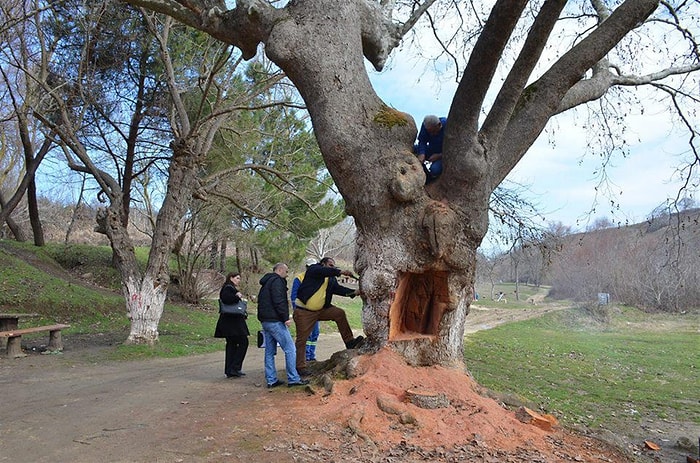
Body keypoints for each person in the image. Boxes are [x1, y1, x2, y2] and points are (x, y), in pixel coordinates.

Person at [293, 257, 364, 376]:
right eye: (330, 265)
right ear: (322, 264)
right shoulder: (314, 270)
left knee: (339, 313)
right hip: (305, 312)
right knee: (302, 340)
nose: (333, 267)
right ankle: (300, 367)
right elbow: (323, 271)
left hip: (322, 310)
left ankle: (349, 341)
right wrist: (340, 272)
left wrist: (353, 292)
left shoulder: (331, 279)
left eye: (334, 266)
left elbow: (338, 289)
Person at [257, 262, 309, 388]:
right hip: (275, 321)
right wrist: (285, 318)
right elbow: (279, 301)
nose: (287, 275)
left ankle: (271, 380)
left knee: (269, 351)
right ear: (280, 270)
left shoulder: (266, 282)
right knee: (290, 348)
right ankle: (293, 378)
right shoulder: (277, 282)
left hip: (265, 321)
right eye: (286, 272)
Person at [214, 272, 249, 378]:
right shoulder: (228, 288)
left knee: (232, 345)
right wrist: (237, 296)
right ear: (231, 278)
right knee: (243, 342)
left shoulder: (228, 287)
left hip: (229, 322)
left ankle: (230, 369)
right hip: (232, 323)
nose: (239, 280)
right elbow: (227, 299)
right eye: (237, 278)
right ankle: (235, 367)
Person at [291, 258, 321, 362]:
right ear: (307, 267)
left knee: (315, 333)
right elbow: (294, 296)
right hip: (303, 312)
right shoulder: (299, 278)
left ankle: (311, 355)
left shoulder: (318, 278)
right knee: (305, 335)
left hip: (315, 311)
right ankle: (305, 357)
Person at [414, 114, 446, 183]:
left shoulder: (447, 125)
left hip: (444, 154)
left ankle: (431, 179)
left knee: (434, 170)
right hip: (431, 149)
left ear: (439, 125)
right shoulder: (426, 125)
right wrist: (422, 153)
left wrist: (439, 156)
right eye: (429, 132)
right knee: (413, 149)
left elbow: (454, 150)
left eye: (434, 131)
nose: (431, 134)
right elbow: (422, 141)